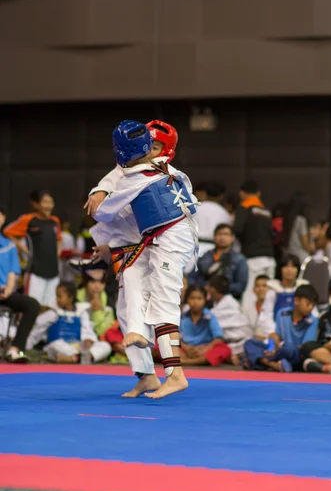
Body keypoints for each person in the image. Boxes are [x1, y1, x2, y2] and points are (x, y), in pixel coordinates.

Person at [93, 120, 198, 399]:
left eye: (157, 146)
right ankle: (146, 375)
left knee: (163, 302)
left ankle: (175, 374)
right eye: (149, 144)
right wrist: (100, 189)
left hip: (166, 241)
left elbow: (102, 213)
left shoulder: (136, 177)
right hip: (155, 240)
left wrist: (99, 200)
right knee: (128, 303)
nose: (152, 149)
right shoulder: (168, 170)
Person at [26, 281, 112, 364]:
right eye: (56, 296)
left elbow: (87, 330)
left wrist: (88, 339)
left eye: (59, 296)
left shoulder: (81, 313)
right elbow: (36, 332)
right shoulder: (52, 313)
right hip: (58, 348)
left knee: (105, 346)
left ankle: (75, 358)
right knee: (56, 344)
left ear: (70, 297)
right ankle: (80, 358)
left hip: (77, 347)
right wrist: (25, 347)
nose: (57, 299)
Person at [4, 190, 61, 307]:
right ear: (36, 204)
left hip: (53, 271)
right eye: (45, 202)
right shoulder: (28, 219)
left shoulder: (55, 221)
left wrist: (58, 252)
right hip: (35, 271)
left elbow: (59, 238)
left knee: (50, 307)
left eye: (51, 202)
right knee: (33, 306)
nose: (48, 205)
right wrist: (24, 249)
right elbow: (7, 232)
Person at [243, 284, 319, 372]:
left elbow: (305, 347)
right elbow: (276, 337)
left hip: (294, 353)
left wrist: (277, 351)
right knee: (250, 343)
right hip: (279, 350)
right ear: (296, 300)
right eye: (308, 304)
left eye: (313, 306)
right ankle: (274, 364)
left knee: (291, 350)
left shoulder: (313, 320)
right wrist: (271, 348)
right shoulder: (282, 313)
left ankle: (262, 361)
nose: (311, 308)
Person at [0, 206, 40, 362]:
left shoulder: (8, 245)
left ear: (3, 219)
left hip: (5, 291)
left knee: (32, 305)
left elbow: (12, 273)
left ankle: (15, 349)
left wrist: (8, 290)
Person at [233, 180, 275, 309]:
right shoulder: (266, 210)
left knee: (251, 293)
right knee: (269, 293)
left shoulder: (244, 207)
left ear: (242, 193)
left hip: (253, 258)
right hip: (270, 258)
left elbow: (237, 229)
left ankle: (249, 325)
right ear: (258, 193)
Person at [187, 223, 248, 299]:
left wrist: (218, 288)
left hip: (227, 300)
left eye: (226, 234)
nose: (222, 237)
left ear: (232, 238)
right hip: (202, 297)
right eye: (219, 234)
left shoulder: (239, 259)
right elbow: (191, 278)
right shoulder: (206, 256)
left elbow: (240, 286)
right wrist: (203, 287)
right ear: (214, 237)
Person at [256, 254, 309, 340]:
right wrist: (273, 333)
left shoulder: (303, 289)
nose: (289, 270)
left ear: (298, 270)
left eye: (293, 266)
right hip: (276, 334)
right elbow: (266, 315)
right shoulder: (273, 290)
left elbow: (312, 314)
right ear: (280, 269)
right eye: (286, 266)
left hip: (299, 333)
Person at [180, 285, 230, 366]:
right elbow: (175, 337)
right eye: (192, 298)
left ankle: (186, 361)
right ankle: (200, 361)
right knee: (164, 345)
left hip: (205, 349)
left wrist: (205, 349)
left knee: (225, 349)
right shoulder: (182, 317)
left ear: (205, 300)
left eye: (199, 299)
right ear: (187, 299)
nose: (195, 302)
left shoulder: (210, 316)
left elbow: (219, 338)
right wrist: (186, 348)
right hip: (186, 349)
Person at [207, 275, 252, 365]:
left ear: (213, 289)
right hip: (229, 342)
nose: (207, 289)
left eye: (209, 287)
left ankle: (238, 356)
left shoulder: (229, 304)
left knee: (207, 354)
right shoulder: (219, 303)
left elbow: (209, 322)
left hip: (240, 343)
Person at [281, 191, 314, 264]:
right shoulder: (301, 220)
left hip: (288, 256)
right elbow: (304, 243)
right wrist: (313, 250)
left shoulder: (288, 219)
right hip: (301, 257)